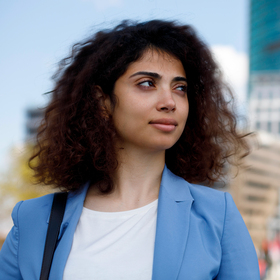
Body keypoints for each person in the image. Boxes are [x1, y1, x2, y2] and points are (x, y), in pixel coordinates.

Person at [0, 20, 260, 279]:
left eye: (180, 88)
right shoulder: (33, 220)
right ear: (102, 101)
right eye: (147, 83)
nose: (170, 101)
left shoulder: (217, 215)